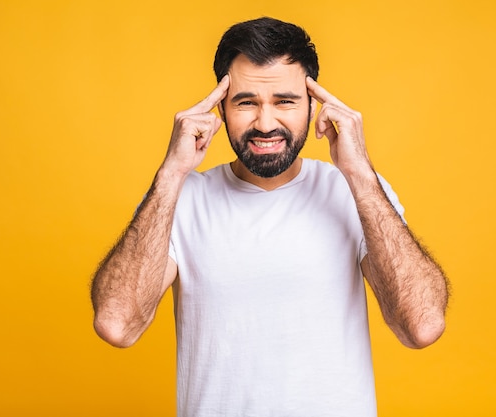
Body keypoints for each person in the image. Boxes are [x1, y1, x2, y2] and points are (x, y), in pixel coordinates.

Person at [91, 16, 450, 417]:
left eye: (285, 101)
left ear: (314, 106)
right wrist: (171, 174)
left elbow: (421, 326)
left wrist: (360, 173)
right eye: (246, 102)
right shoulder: (179, 198)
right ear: (220, 109)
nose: (265, 123)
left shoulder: (353, 192)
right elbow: (117, 325)